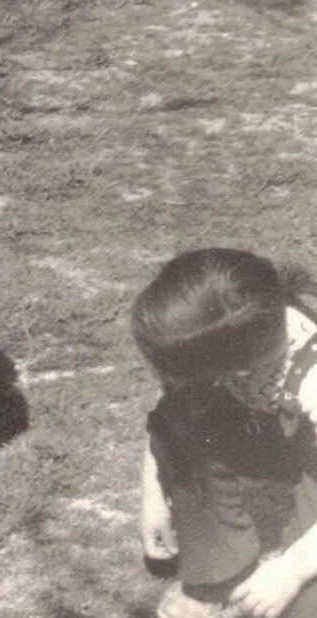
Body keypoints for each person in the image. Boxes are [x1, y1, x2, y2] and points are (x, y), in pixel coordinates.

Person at [132, 248, 317, 618]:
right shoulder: (228, 330)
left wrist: (292, 570)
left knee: (297, 605)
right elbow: (170, 417)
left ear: (241, 367)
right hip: (272, 433)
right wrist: (153, 495)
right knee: (187, 414)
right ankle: (215, 575)